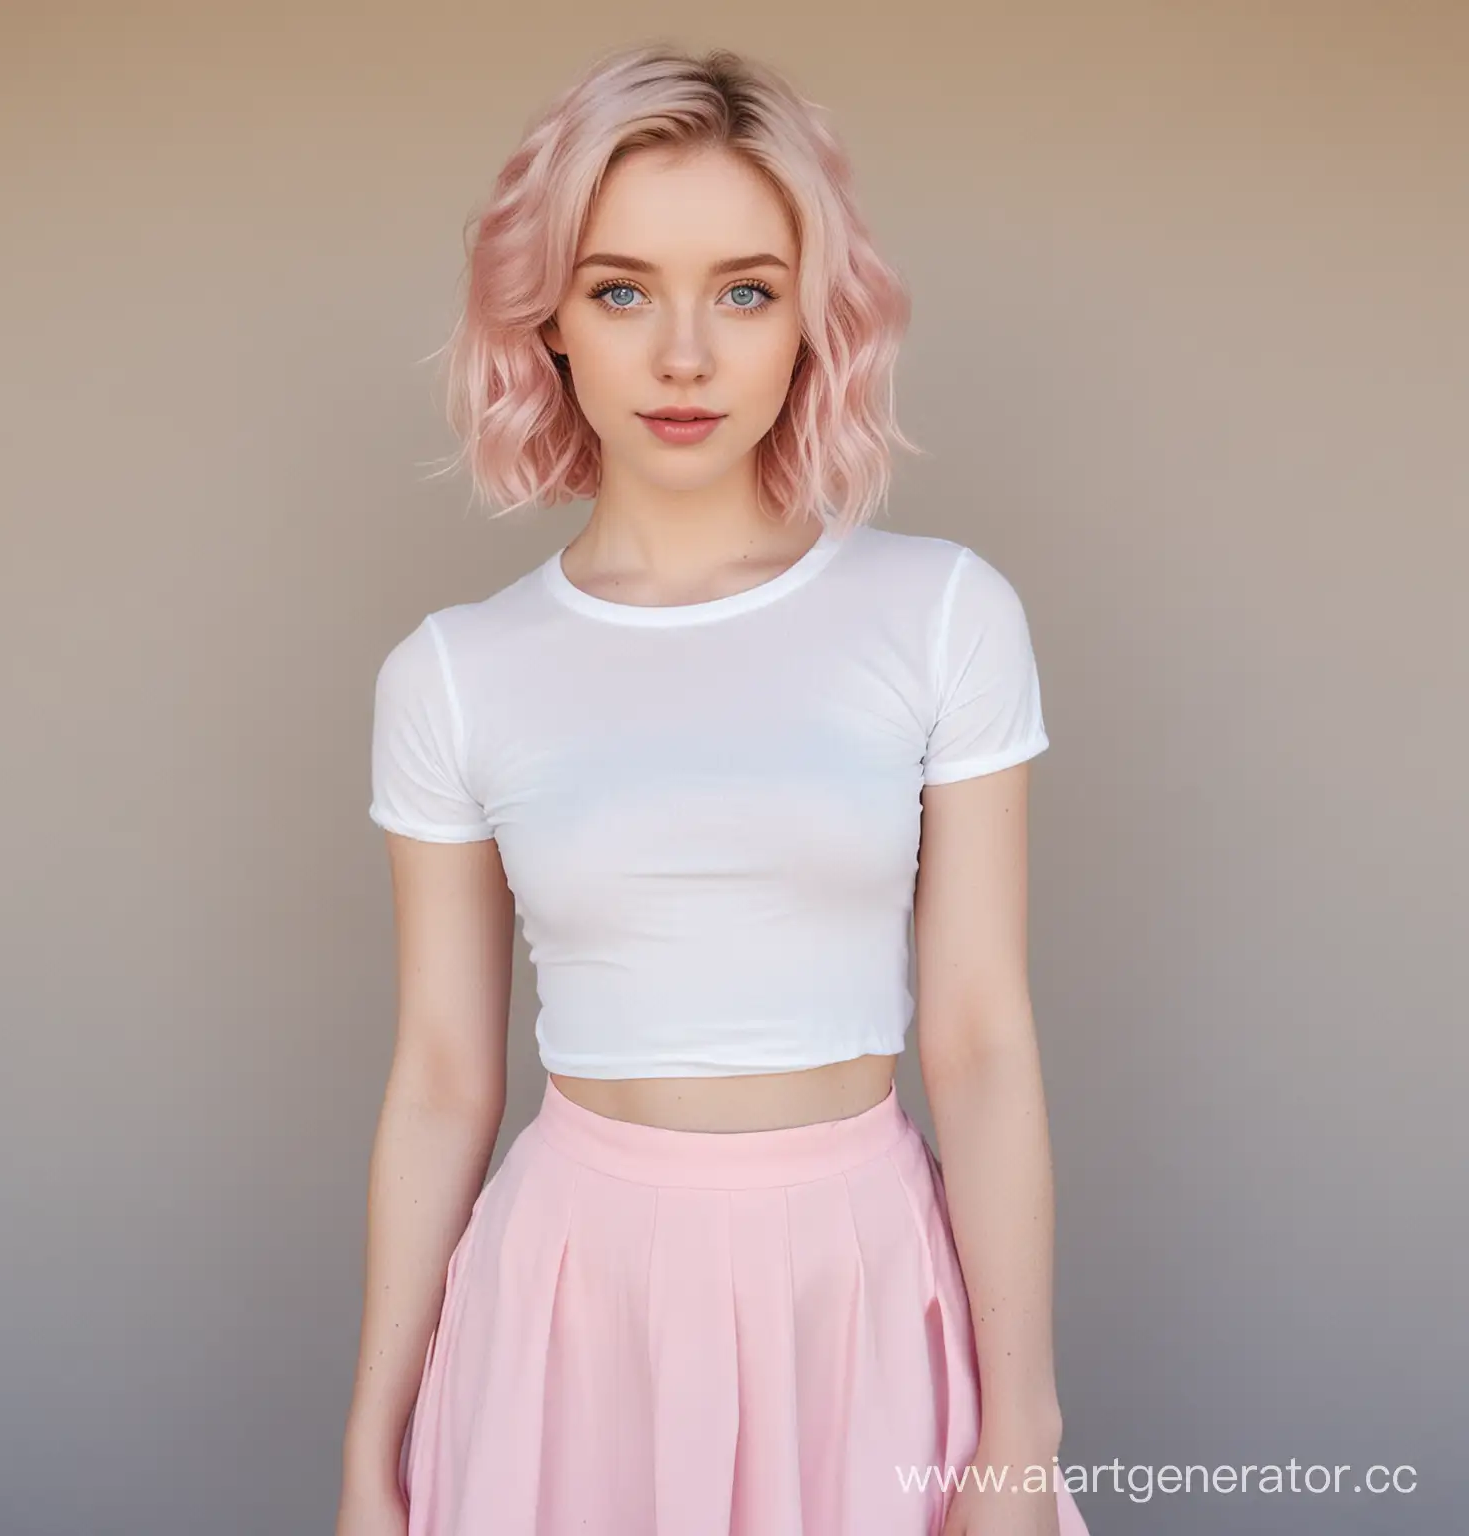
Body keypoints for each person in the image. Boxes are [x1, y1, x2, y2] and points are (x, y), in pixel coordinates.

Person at [337, 41, 1091, 1536]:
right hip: (570, 1300)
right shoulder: (454, 672)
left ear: (811, 317)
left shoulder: (941, 612)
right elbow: (440, 1078)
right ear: (545, 316)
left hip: (860, 1280)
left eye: (744, 290)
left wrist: (1024, 1425)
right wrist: (373, 1445)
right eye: (622, 290)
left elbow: (984, 1038)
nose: (684, 355)